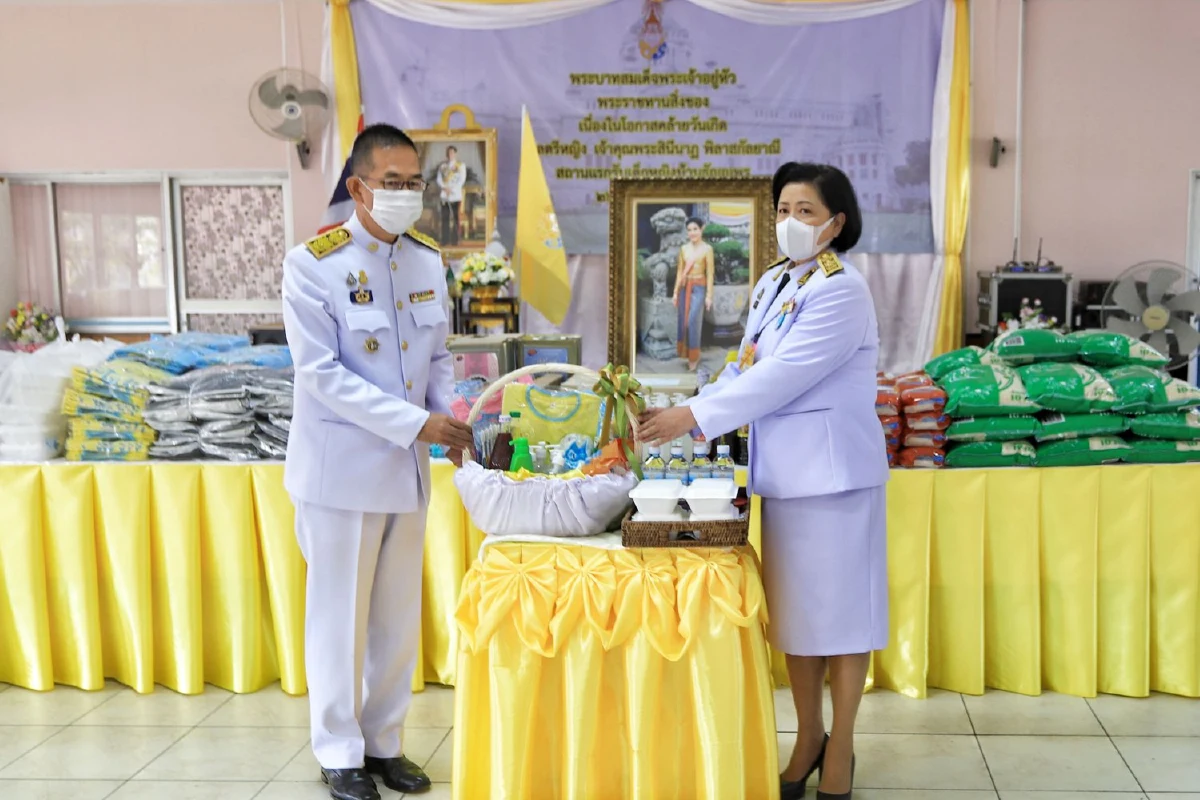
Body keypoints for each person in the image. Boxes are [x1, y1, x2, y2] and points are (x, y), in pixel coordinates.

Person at [638, 162, 889, 800]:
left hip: (834, 480)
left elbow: (785, 377)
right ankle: (808, 738)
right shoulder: (776, 282)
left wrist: (690, 417)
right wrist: (682, 405)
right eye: (781, 210)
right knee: (798, 621)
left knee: (843, 620)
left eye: (805, 212)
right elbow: (745, 367)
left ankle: (843, 748)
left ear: (837, 223)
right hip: (783, 475)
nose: (789, 223)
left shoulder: (841, 290)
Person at [282, 123, 475, 800]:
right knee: (338, 618)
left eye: (413, 182)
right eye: (391, 183)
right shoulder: (313, 265)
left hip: (408, 472)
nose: (405, 194)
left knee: (395, 619)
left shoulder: (426, 261)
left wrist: (457, 414)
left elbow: (440, 361)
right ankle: (339, 752)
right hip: (340, 474)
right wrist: (420, 423)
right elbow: (321, 376)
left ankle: (384, 743)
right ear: (359, 187)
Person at [672, 216, 715, 371]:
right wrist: (676, 292)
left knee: (693, 321)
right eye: (689, 230)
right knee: (683, 322)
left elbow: (710, 273)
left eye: (695, 229)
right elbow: (679, 272)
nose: (692, 233)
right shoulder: (684, 249)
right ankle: (686, 353)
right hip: (684, 287)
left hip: (699, 287)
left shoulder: (707, 249)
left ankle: (694, 356)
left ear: (701, 229)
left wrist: (709, 296)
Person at [436, 144, 466, 246]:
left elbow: (461, 180)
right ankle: (445, 239)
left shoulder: (460, 166)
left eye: (452, 152)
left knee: (456, 218)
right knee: (445, 218)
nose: (450, 154)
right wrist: (445, 188)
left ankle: (455, 240)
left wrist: (451, 189)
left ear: (455, 154)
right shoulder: (443, 167)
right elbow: (439, 179)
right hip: (445, 195)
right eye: (449, 153)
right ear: (447, 154)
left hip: (455, 195)